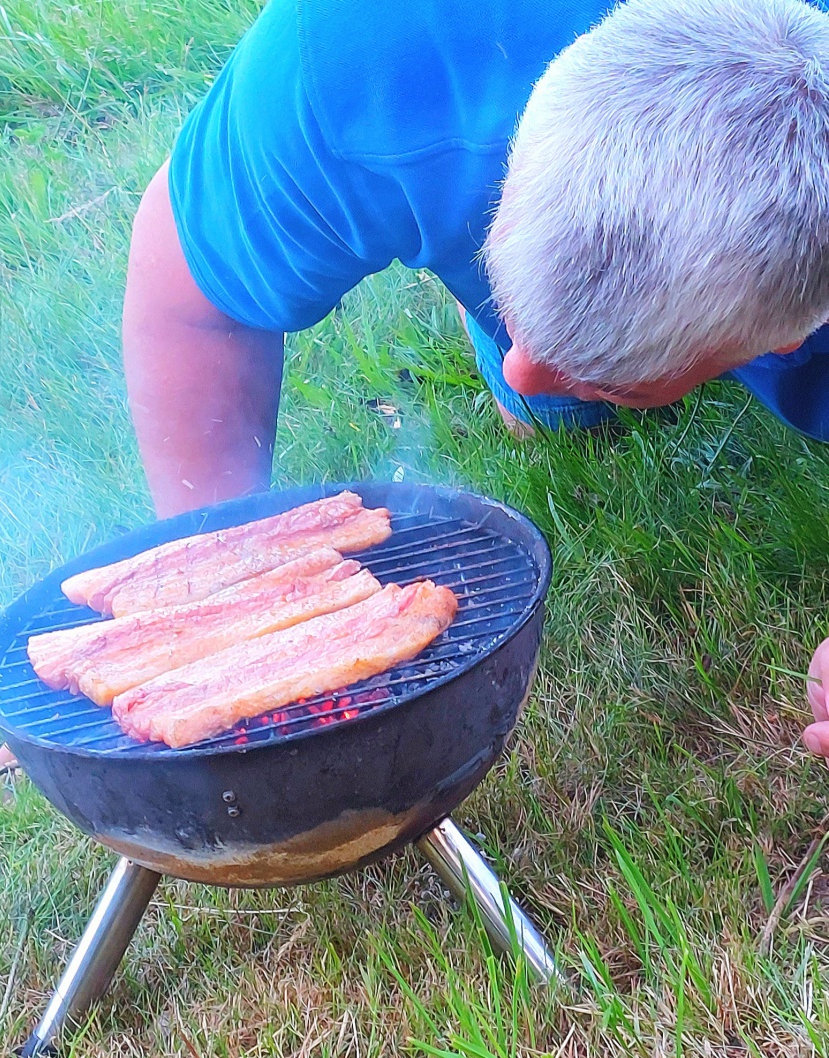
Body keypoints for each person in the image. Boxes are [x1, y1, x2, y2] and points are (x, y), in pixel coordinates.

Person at [121, 0, 829, 752]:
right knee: (551, 414)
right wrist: (215, 588)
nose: (524, 373)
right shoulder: (357, 51)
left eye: (612, 375)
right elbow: (189, 291)